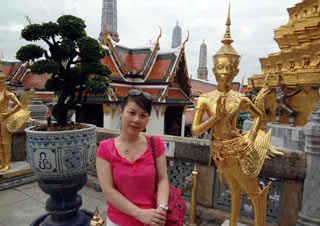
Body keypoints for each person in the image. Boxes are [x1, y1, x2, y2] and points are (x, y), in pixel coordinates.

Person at [191, 5, 275, 226]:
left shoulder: (240, 99)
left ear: (236, 70)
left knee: (253, 192)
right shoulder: (205, 99)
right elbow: (195, 130)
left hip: (238, 150)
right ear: (214, 68)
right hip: (219, 152)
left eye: (229, 68)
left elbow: (257, 116)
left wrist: (251, 136)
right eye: (220, 67)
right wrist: (213, 120)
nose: (224, 72)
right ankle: (234, 222)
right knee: (233, 190)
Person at [96, 89, 169, 226]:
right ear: (121, 112)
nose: (137, 120)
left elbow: (163, 180)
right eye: (132, 113)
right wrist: (140, 214)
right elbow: (108, 191)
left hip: (152, 220)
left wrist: (161, 209)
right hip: (119, 221)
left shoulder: (156, 144)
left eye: (143, 115)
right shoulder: (105, 148)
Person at [0, 69, 21, 171]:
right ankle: (2, 163)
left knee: (5, 143)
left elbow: (19, 105)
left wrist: (8, 114)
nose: (1, 82)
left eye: (2, 80)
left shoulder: (8, 94)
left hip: (5, 120)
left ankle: (7, 164)